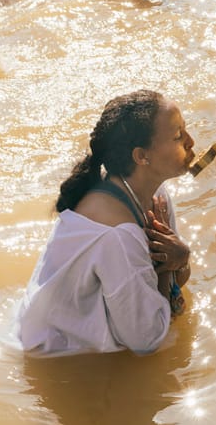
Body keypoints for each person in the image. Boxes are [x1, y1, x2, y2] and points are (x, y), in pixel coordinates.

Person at [16, 90, 195, 356]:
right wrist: (170, 263)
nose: (191, 142)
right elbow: (145, 340)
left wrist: (177, 260)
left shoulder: (153, 194)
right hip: (55, 354)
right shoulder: (117, 236)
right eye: (178, 136)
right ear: (141, 156)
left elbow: (176, 278)